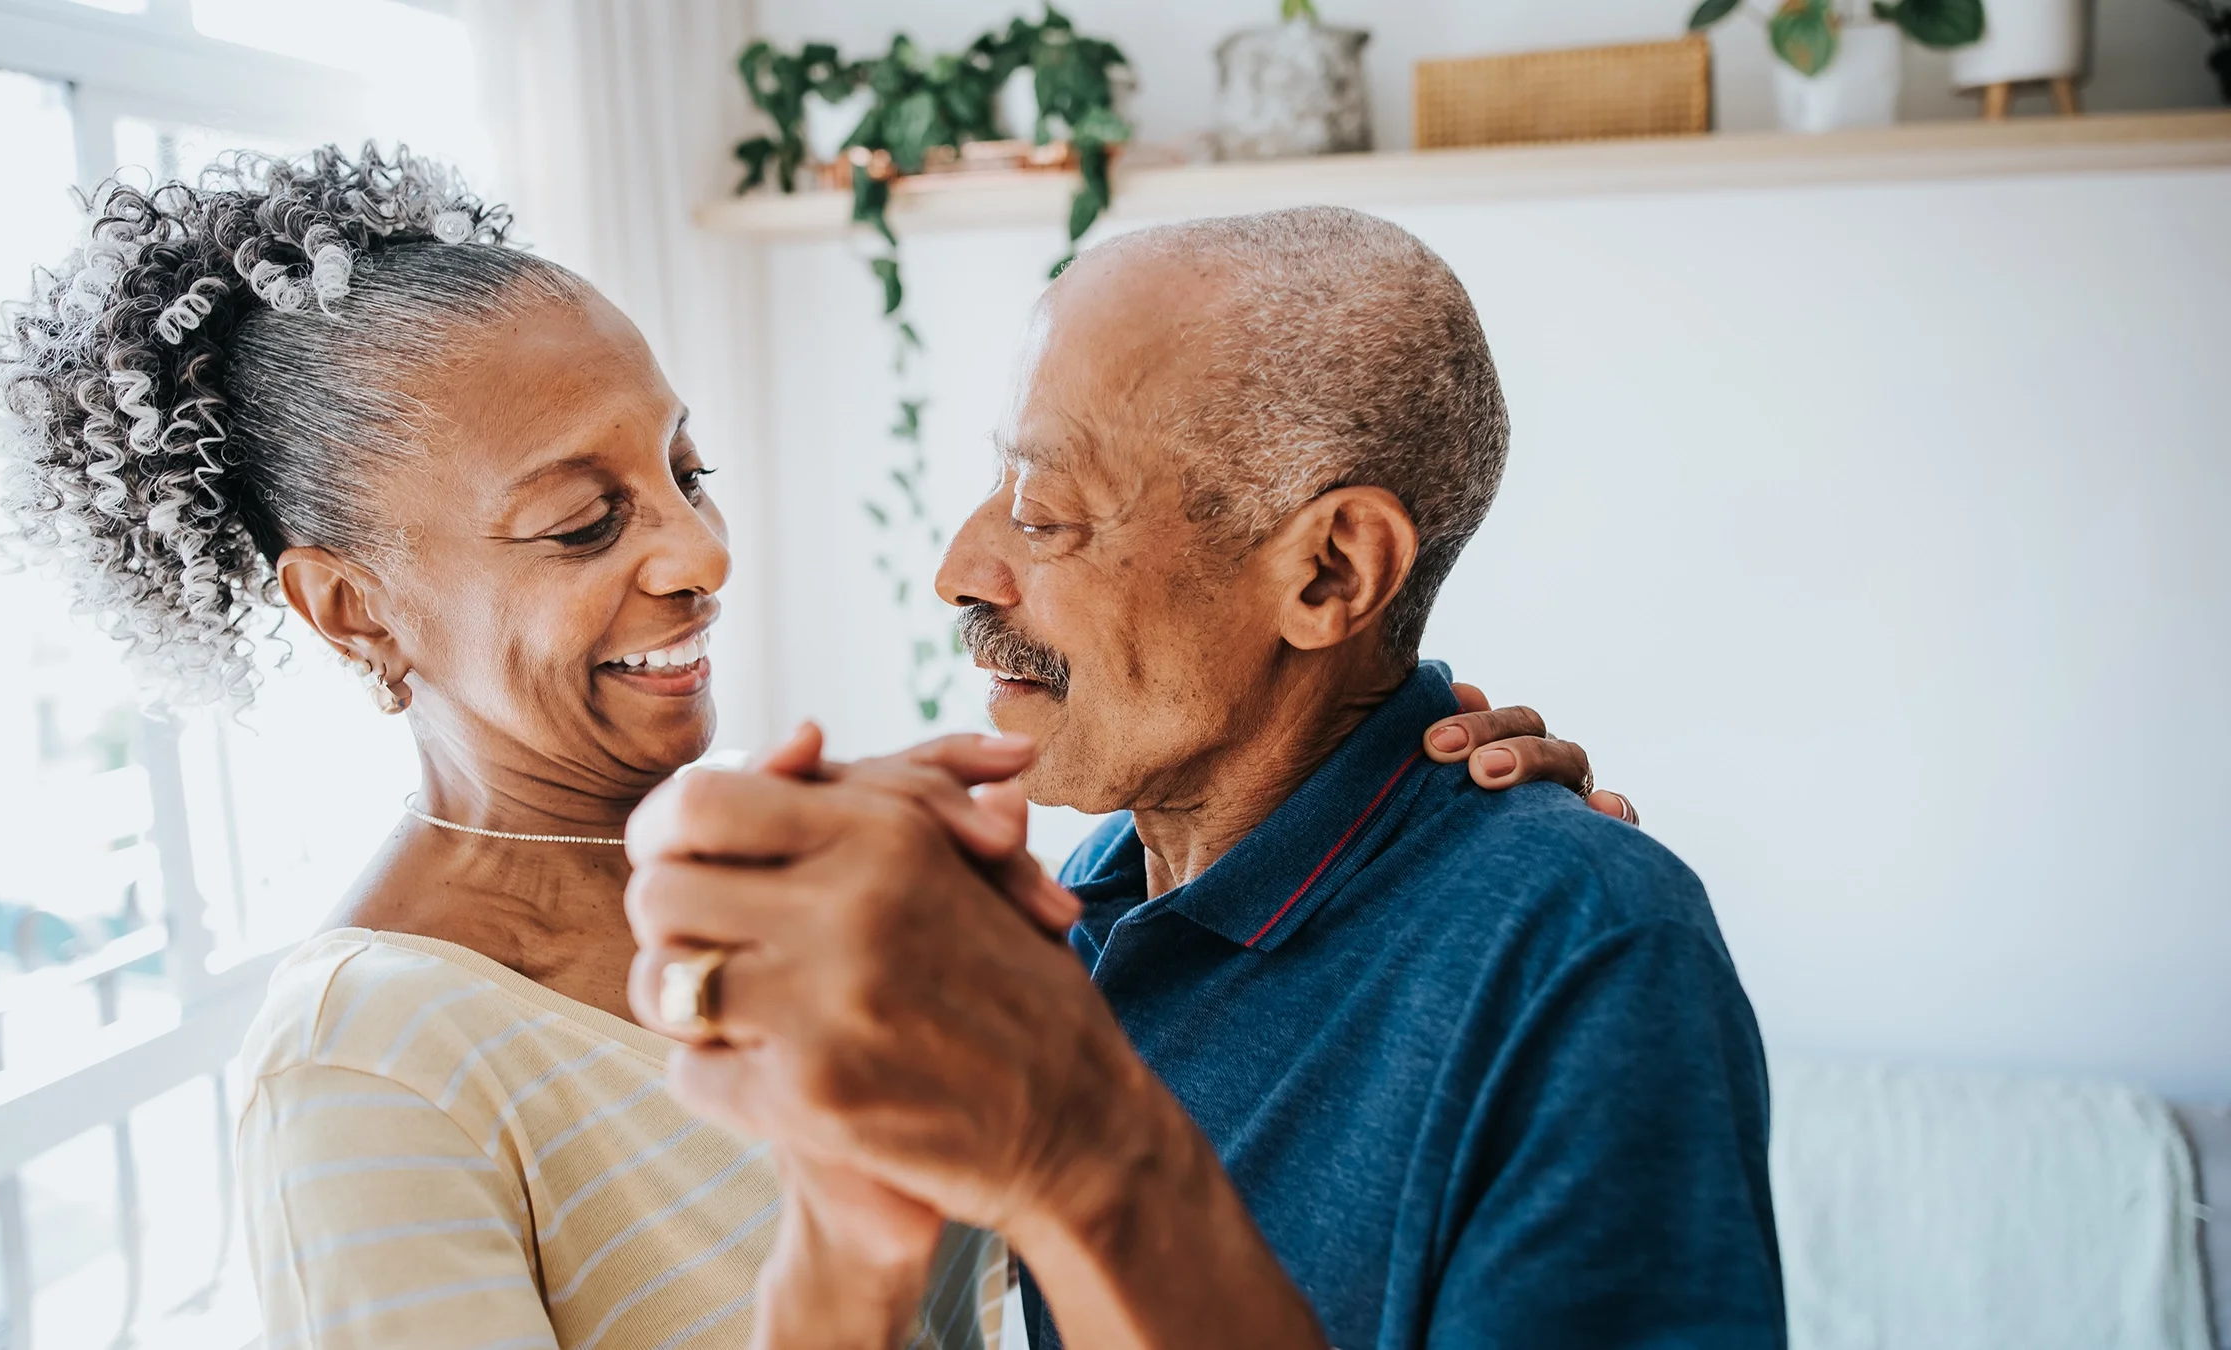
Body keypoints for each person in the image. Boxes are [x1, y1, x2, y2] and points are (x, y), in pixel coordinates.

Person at [0, 150, 1624, 1350]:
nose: (697, 554)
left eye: (687, 470)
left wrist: (1431, 864)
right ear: (351, 609)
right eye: (581, 520)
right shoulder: (368, 1071)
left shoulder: (793, 878)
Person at [622, 208, 1784, 1348]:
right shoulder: (1093, 897)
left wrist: (1089, 1155)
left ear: (1329, 572)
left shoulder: (1585, 941)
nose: (961, 569)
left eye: (1046, 511)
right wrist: (852, 1212)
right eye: (999, 484)